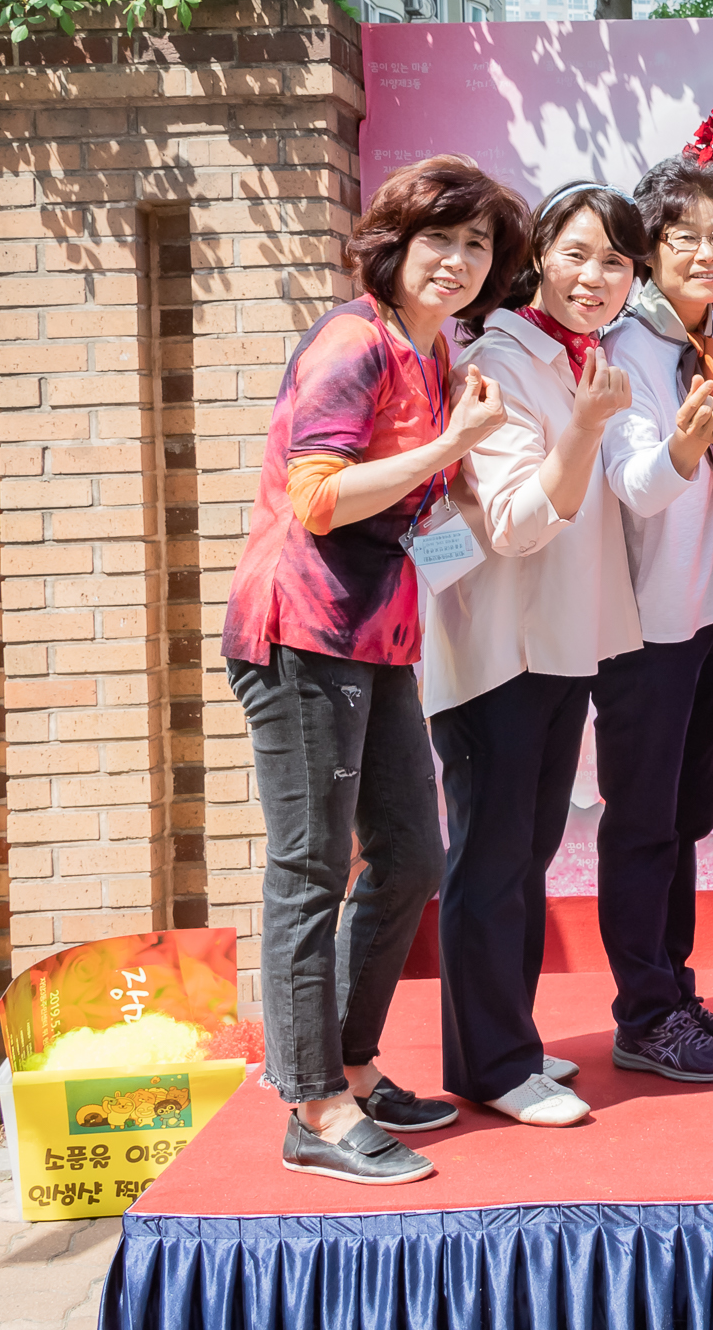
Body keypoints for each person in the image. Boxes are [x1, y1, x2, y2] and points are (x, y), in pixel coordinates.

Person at [219, 155, 525, 1186]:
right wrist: (449, 447)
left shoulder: (433, 353)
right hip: (302, 632)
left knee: (409, 858)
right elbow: (318, 499)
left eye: (477, 244)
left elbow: (427, 508)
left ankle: (352, 1067)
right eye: (440, 238)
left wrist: (476, 476)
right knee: (311, 867)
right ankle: (312, 1105)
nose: (458, 260)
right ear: (395, 246)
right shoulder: (353, 342)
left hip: (377, 637)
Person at [422, 184, 647, 1129]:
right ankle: (492, 1063)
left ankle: (505, 1039)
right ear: (540, 257)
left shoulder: (577, 359)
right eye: (577, 254)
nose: (595, 278)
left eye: (616, 262)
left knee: (526, 854)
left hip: (556, 645)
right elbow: (514, 524)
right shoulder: (502, 361)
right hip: (496, 651)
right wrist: (587, 429)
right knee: (490, 859)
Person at [589, 158, 713, 1083]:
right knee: (642, 823)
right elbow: (637, 488)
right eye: (684, 236)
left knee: (687, 818)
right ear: (650, 251)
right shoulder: (622, 347)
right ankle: (644, 1015)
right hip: (644, 632)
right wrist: (687, 445)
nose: (706, 252)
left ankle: (677, 990)